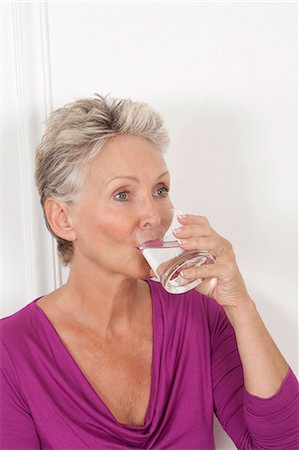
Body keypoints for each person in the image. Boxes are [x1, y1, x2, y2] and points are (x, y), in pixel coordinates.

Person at [0, 94, 298, 450]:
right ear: (62, 218)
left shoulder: (200, 316)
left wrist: (240, 306)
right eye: (123, 195)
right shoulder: (10, 353)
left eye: (160, 190)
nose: (154, 216)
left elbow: (282, 445)